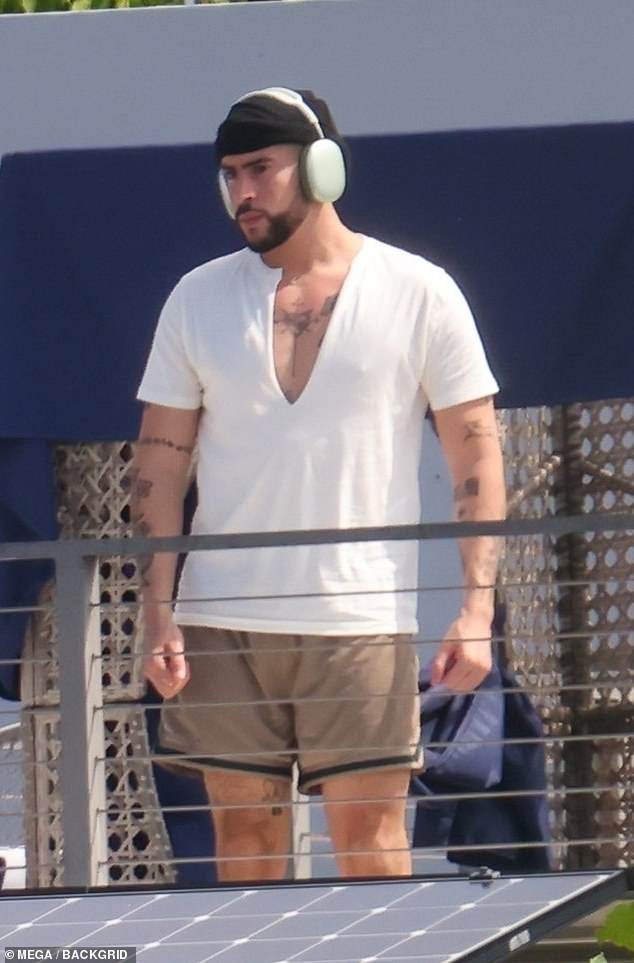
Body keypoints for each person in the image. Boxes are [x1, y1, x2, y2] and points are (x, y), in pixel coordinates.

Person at [132, 86, 506, 883]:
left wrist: (477, 610)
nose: (242, 191)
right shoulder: (196, 298)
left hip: (358, 615)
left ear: (323, 167)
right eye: (229, 174)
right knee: (245, 846)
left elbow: (477, 455)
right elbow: (158, 466)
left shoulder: (419, 289)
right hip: (221, 619)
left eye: (261, 168)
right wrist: (156, 611)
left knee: (371, 846)